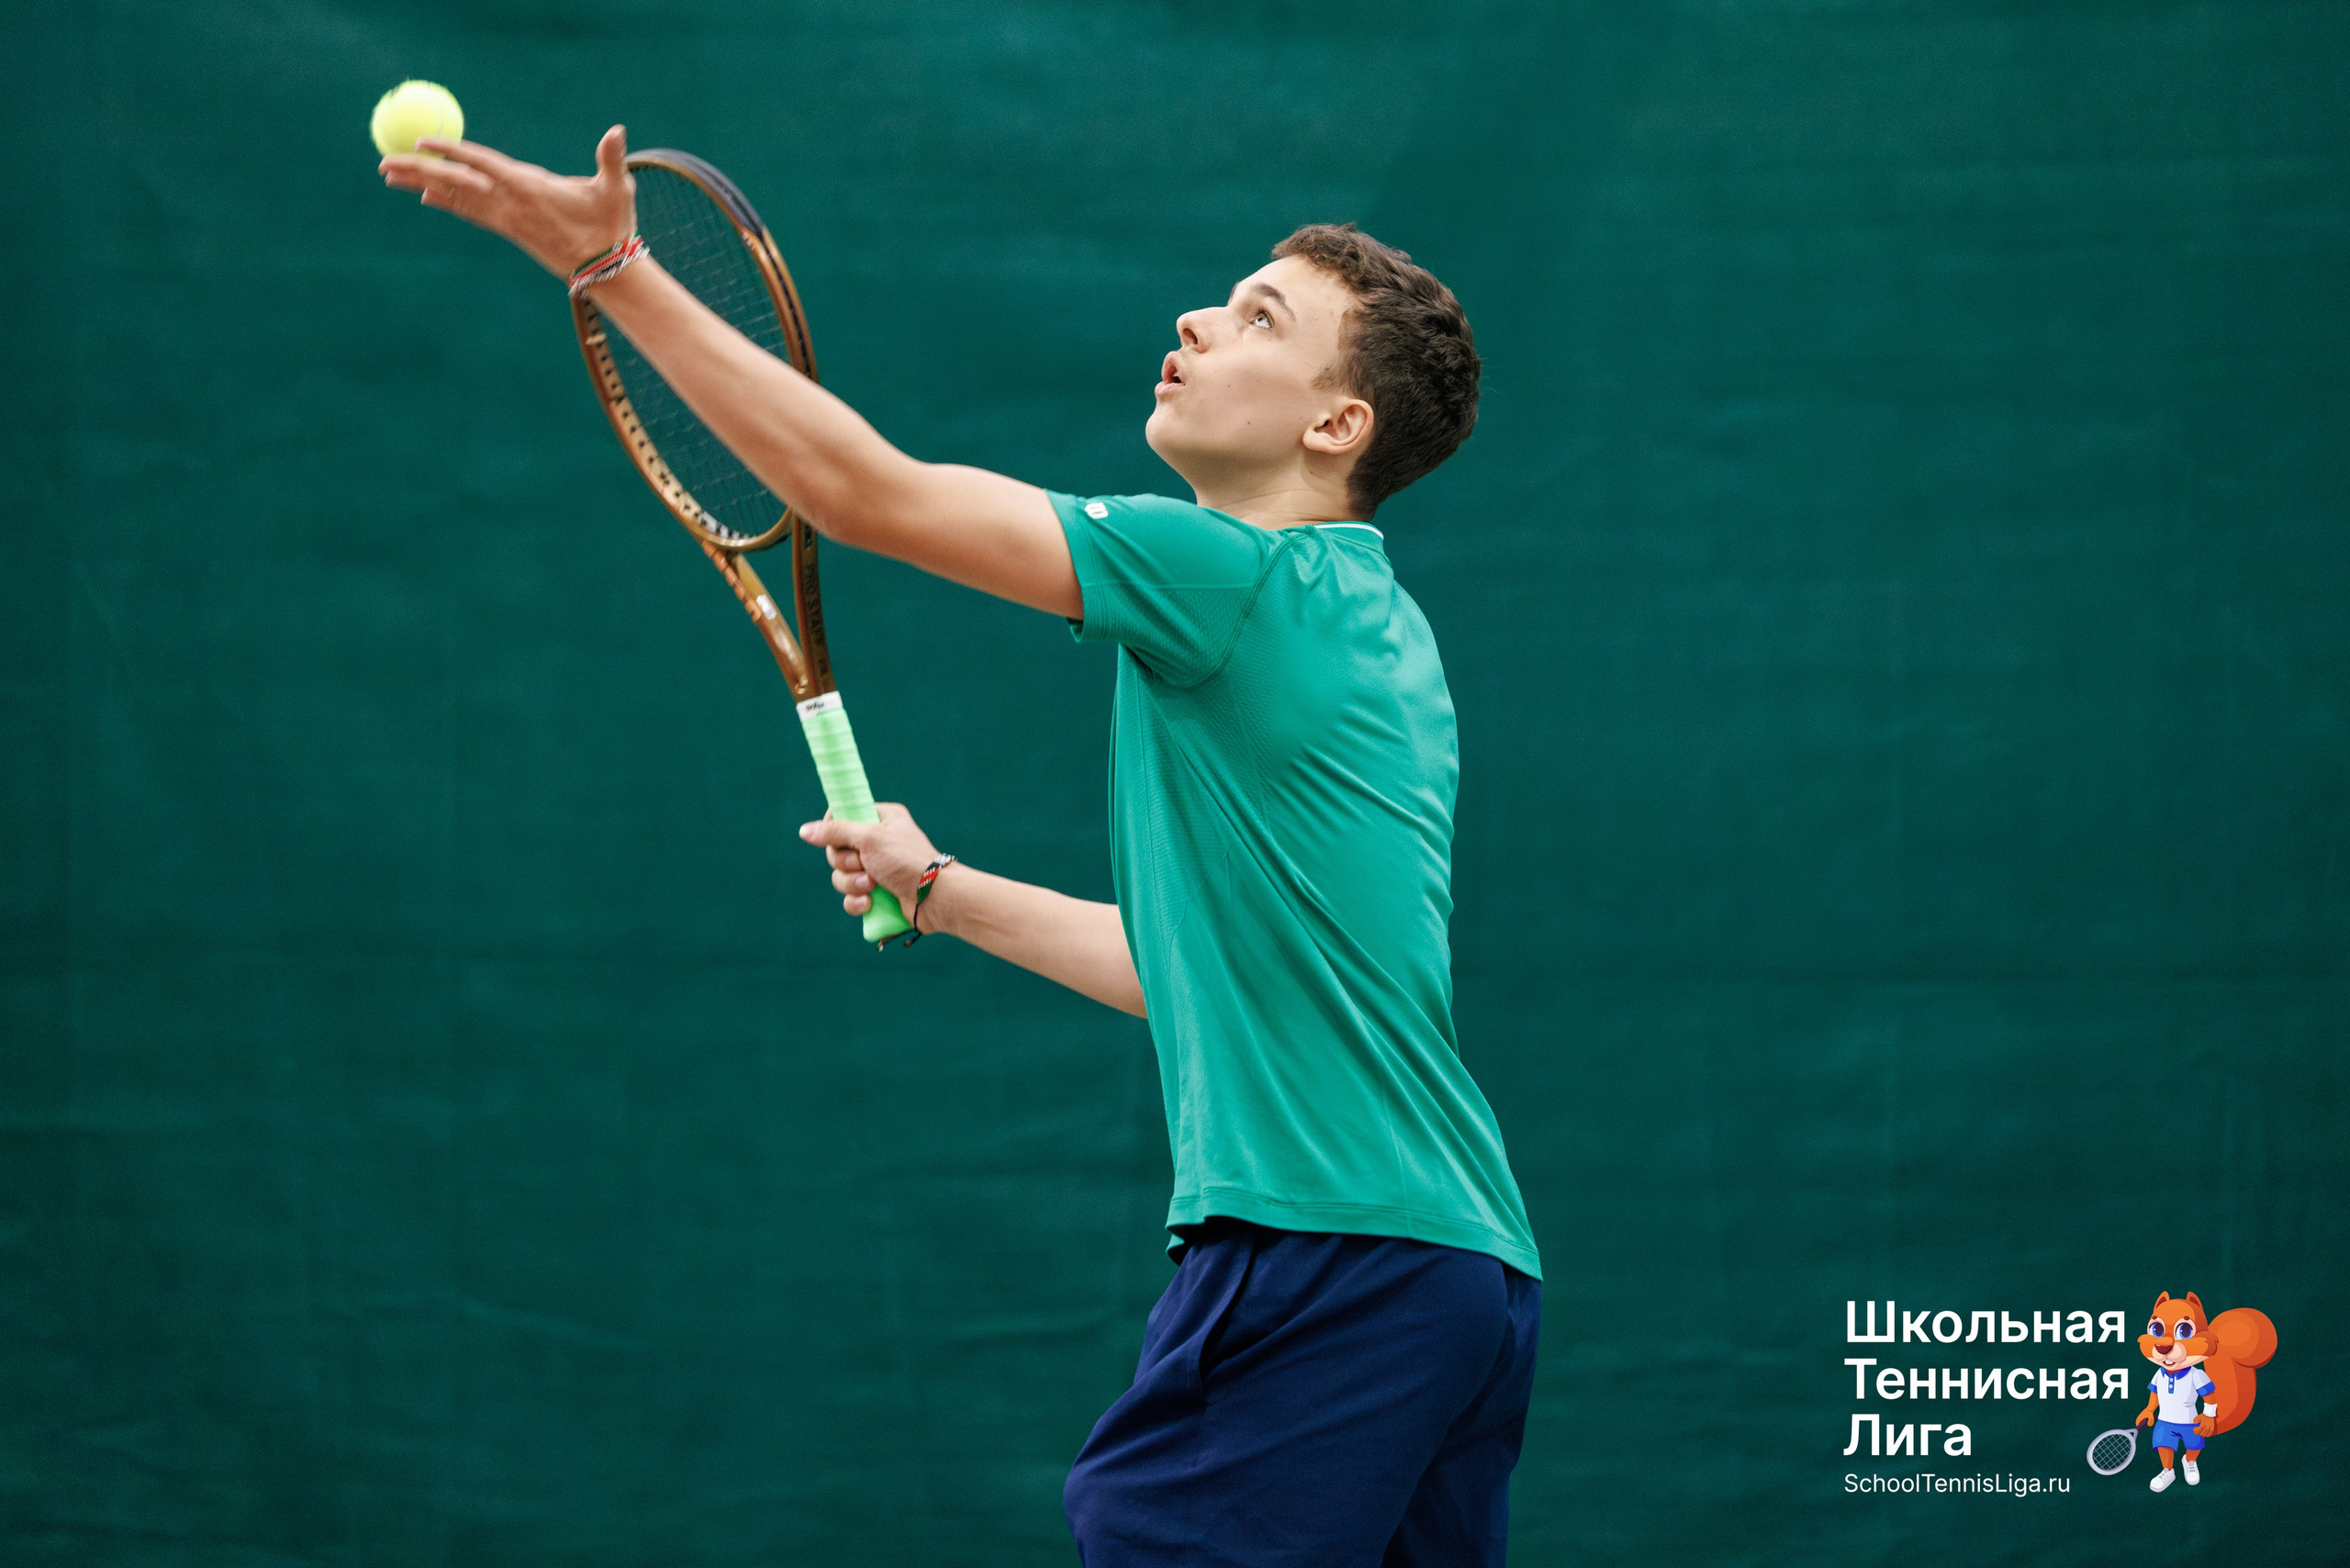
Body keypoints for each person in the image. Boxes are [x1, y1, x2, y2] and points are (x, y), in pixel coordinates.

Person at [384, 126, 1542, 1566]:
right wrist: (940, 891)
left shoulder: (1226, 574)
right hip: (1462, 1273)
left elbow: (864, 491)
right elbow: (1198, 970)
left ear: (1336, 427)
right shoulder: (1378, 635)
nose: (1198, 319)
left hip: (1326, 1258)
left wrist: (611, 264)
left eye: (1261, 319)